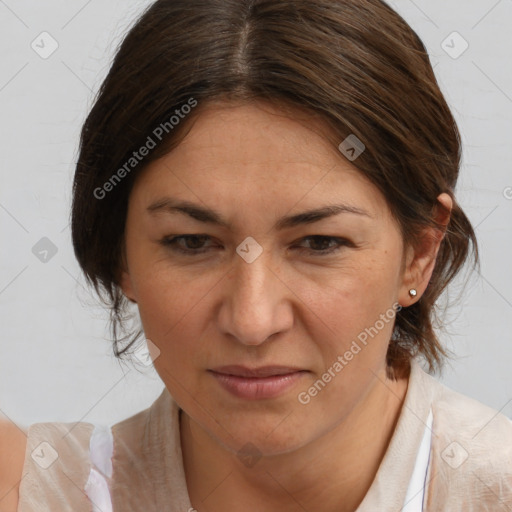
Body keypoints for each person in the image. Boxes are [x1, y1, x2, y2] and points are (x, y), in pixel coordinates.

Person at [2, 0, 511, 511]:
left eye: (319, 243)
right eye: (192, 242)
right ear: (120, 254)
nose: (252, 321)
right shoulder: (35, 494)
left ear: (419, 253)